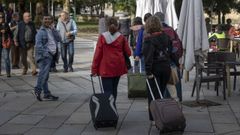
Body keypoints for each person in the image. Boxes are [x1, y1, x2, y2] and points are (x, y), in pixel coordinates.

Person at [91, 17, 131, 100]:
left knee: (107, 91)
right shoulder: (122, 37)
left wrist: (94, 69)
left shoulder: (102, 37)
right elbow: (128, 53)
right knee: (114, 89)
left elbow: (97, 55)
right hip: (118, 67)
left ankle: (109, 110)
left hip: (105, 67)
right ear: (117, 25)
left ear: (106, 25)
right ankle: (113, 108)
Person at [142, 16, 172, 122]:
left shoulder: (149, 40)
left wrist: (148, 71)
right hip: (166, 68)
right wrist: (177, 63)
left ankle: (155, 118)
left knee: (153, 96)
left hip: (155, 70)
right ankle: (161, 115)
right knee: (161, 92)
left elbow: (148, 57)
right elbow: (171, 52)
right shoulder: (166, 37)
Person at [33, 13, 61, 101]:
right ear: (42, 21)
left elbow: (59, 39)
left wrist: (54, 29)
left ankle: (46, 94)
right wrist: (47, 54)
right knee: (44, 74)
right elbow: (38, 46)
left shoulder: (51, 30)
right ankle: (38, 89)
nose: (47, 21)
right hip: (45, 56)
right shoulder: (41, 32)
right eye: (45, 19)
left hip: (51, 55)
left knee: (45, 74)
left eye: (49, 19)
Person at [0, 12, 11, 77]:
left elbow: (9, 31)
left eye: (2, 17)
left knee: (6, 58)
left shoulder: (6, 24)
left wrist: (5, 30)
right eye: (0, 17)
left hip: (5, 43)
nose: (1, 18)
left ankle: (8, 72)